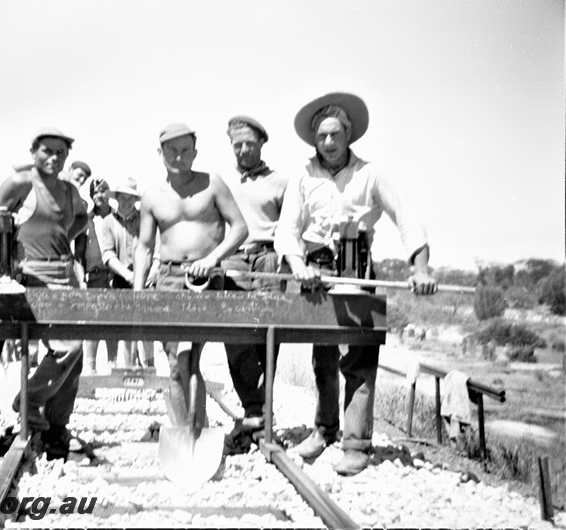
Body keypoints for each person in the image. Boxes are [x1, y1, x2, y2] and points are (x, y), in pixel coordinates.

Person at [274, 92, 438, 475]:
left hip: (357, 268)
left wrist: (421, 267)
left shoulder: (370, 174)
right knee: (323, 358)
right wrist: (298, 263)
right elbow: (287, 228)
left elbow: (404, 214)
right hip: (316, 272)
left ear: (348, 135)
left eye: (335, 134)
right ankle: (324, 429)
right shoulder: (302, 175)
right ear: (314, 139)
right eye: (322, 136)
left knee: (360, 361)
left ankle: (357, 443)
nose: (328, 142)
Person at [134, 122, 248, 432]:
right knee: (174, 361)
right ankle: (185, 430)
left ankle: (196, 429)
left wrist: (212, 260)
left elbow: (240, 228)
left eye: (185, 149)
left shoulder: (212, 184)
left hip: (205, 280)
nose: (179, 156)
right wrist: (137, 291)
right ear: (161, 153)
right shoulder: (152, 196)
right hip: (169, 280)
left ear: (195, 152)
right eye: (171, 149)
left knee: (190, 358)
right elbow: (144, 247)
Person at [0, 127, 89, 460]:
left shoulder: (68, 189)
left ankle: (57, 427)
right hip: (34, 274)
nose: (53, 157)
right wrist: (10, 264)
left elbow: (82, 217)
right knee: (68, 346)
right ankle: (29, 400)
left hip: (65, 273)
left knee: (75, 358)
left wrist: (64, 235)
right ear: (34, 150)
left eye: (60, 153)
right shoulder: (20, 184)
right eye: (47, 151)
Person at [219, 116, 290, 455]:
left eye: (249, 143)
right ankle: (253, 408)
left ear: (262, 143)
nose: (244, 150)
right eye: (237, 144)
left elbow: (291, 229)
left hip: (268, 261)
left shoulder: (281, 183)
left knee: (267, 335)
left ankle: (261, 411)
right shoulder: (222, 184)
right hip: (233, 260)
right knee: (235, 336)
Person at [99, 177, 155, 368]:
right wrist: (128, 274)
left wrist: (151, 273)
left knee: (147, 325)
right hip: (121, 278)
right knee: (126, 325)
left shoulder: (146, 220)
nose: (126, 202)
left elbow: (156, 250)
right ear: (117, 198)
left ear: (135, 199)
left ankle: (149, 367)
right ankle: (129, 367)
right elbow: (107, 255)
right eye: (123, 197)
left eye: (130, 198)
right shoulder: (108, 222)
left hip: (146, 279)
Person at [73, 177, 119, 373]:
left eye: (103, 190)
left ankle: (113, 365)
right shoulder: (86, 220)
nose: (100, 195)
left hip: (115, 276)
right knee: (93, 323)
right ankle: (90, 368)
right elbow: (78, 255)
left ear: (109, 193)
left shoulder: (119, 218)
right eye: (95, 192)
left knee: (114, 322)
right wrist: (81, 278)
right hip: (95, 276)